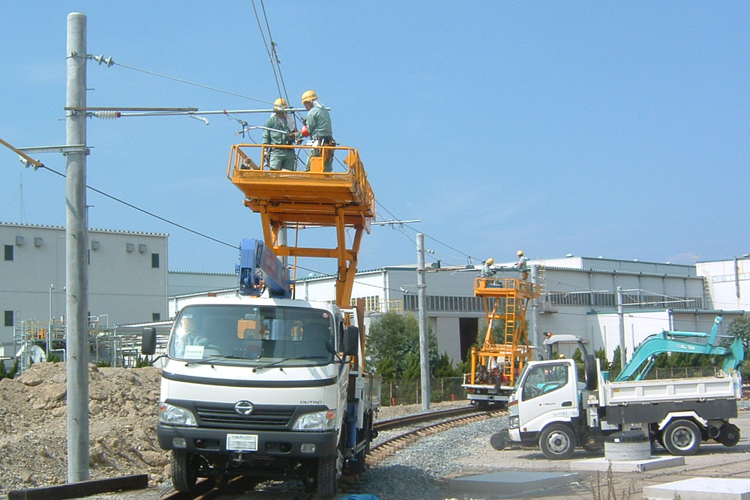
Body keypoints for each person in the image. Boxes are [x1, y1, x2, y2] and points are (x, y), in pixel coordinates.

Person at [301, 90, 335, 172]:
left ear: (310, 102)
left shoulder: (312, 112)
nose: (305, 106)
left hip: (319, 143)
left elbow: (309, 130)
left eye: (305, 104)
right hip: (329, 143)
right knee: (326, 169)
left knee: (309, 168)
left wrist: (298, 135)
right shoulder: (324, 110)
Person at [262, 98, 297, 171]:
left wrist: (297, 137)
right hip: (276, 151)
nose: (281, 114)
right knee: (274, 173)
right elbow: (266, 136)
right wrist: (265, 151)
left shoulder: (290, 121)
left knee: (289, 176)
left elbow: (296, 133)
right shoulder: (270, 121)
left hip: (289, 152)